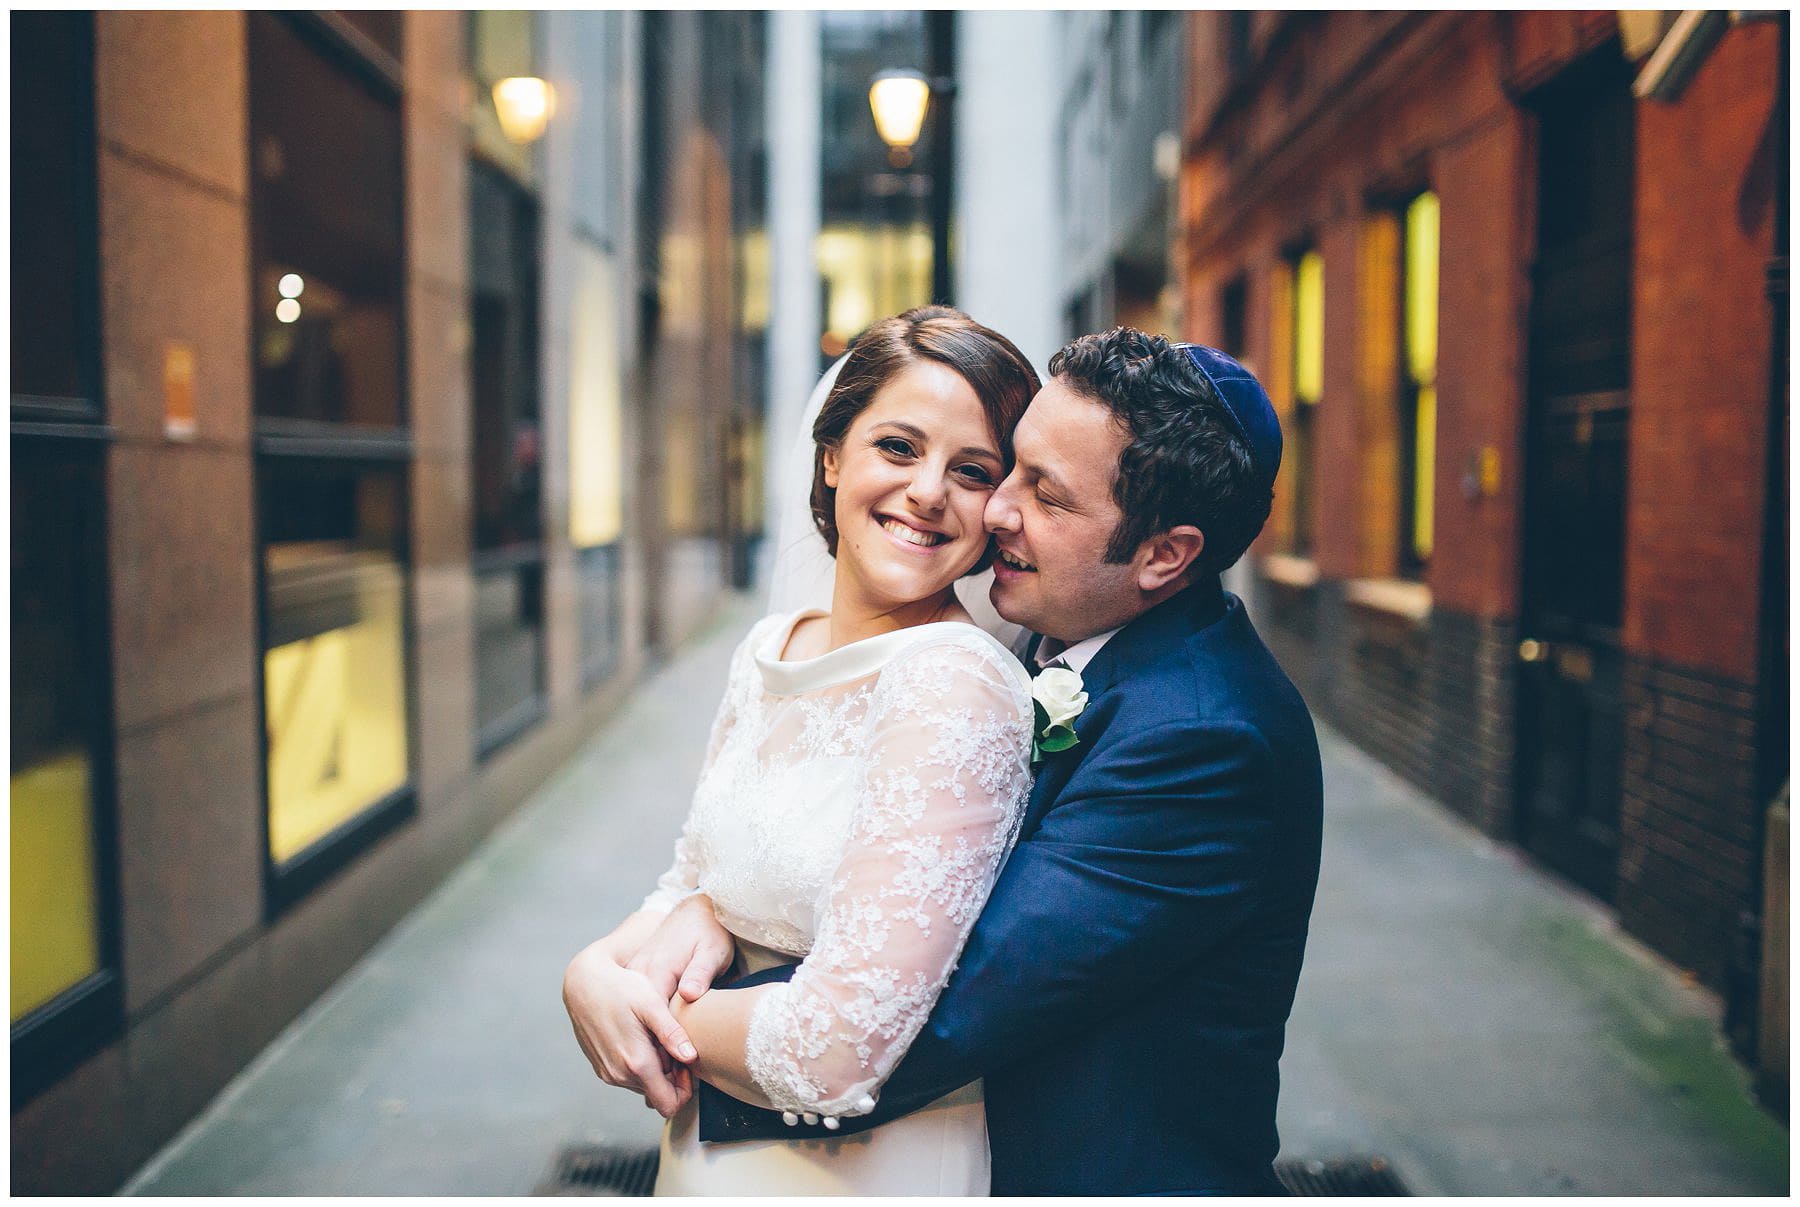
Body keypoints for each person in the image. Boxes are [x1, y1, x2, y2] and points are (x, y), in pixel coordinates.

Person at [581, 327, 1325, 1195]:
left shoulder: (1205, 739)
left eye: (1045, 493)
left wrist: (634, 996)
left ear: (1165, 555)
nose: (996, 508)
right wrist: (708, 905)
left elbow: (928, 1007)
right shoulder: (1058, 637)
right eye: (1013, 467)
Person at [561, 306, 1043, 1194]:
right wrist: (591, 969)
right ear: (831, 456)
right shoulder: (771, 647)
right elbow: (690, 883)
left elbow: (838, 1048)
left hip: (856, 1170)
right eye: (898, 447)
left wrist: (644, 1003)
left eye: (971, 470)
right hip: (710, 1151)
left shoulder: (952, 682)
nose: (929, 491)